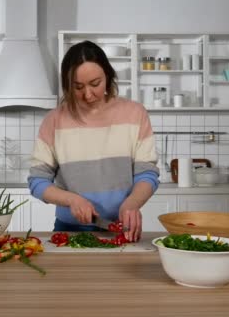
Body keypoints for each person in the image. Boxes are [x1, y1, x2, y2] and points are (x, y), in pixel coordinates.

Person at [27, 40, 159, 242]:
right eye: (78, 87)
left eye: (95, 84)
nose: (88, 94)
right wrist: (72, 200)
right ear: (66, 85)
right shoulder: (54, 121)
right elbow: (37, 181)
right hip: (68, 230)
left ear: (108, 75)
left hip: (122, 228)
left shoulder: (134, 114)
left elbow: (147, 173)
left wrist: (132, 203)